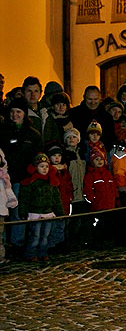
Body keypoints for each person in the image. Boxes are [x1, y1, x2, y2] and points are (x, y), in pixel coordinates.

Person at [0, 97, 42, 249]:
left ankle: (17, 243)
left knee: (19, 213)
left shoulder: (33, 134)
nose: (15, 115)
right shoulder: (2, 132)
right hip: (4, 179)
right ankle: (3, 244)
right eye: (12, 111)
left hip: (22, 179)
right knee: (3, 213)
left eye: (18, 111)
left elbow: (37, 155)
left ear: (24, 113)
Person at [18, 153, 63, 261]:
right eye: (41, 166)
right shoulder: (31, 182)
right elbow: (24, 199)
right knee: (35, 235)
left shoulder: (51, 181)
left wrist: (60, 212)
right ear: (36, 167)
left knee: (45, 236)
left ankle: (43, 252)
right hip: (35, 213)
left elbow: (56, 199)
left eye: (46, 166)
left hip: (48, 212)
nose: (44, 169)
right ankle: (31, 253)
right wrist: (23, 212)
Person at [83, 147, 117, 247]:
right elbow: (87, 190)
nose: (99, 161)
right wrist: (92, 201)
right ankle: (98, 242)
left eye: (101, 159)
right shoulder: (90, 175)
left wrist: (116, 199)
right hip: (98, 206)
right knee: (98, 226)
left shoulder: (108, 173)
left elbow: (113, 188)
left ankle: (109, 241)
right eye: (96, 159)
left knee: (109, 224)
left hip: (110, 205)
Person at [0, 148, 18, 264]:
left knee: (0, 235)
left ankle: (1, 256)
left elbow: (8, 189)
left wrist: (11, 199)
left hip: (1, 209)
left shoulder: (4, 176)